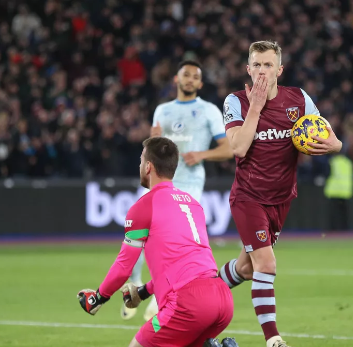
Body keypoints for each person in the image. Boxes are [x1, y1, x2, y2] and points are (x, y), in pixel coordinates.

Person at [218, 40, 343, 347]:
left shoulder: (298, 99)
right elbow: (238, 147)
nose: (262, 71)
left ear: (279, 70)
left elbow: (332, 138)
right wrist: (257, 107)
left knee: (247, 268)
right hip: (248, 197)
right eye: (257, 65)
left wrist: (334, 145)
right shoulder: (235, 101)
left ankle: (198, 291)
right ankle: (273, 339)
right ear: (248, 69)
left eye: (268, 65)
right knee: (267, 264)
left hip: (282, 199)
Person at [77, 137, 236, 347]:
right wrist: (143, 292)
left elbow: (125, 266)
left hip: (188, 303)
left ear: (149, 167)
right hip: (221, 298)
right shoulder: (193, 203)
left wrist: (99, 297)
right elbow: (183, 265)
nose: (140, 165)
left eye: (142, 160)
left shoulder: (144, 206)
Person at [125, 60, 233, 321]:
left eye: (195, 77)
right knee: (134, 234)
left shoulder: (208, 110)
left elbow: (228, 148)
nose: (190, 80)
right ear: (176, 79)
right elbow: (152, 148)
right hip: (158, 183)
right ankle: (134, 284)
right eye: (186, 75)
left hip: (189, 187)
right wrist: (152, 138)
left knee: (175, 244)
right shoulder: (163, 109)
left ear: (200, 83)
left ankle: (161, 299)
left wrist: (203, 154)